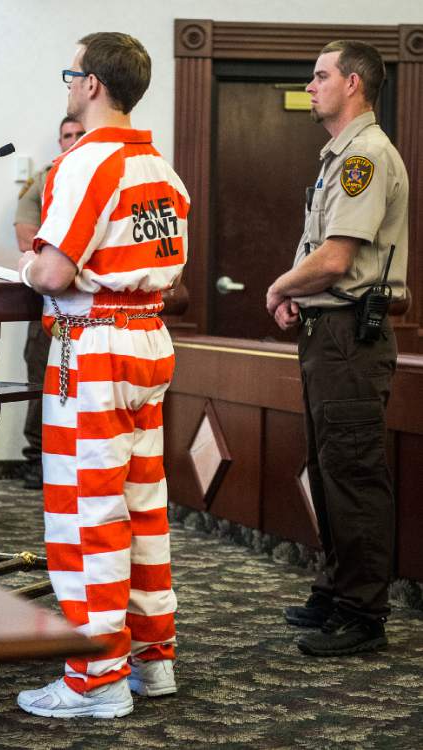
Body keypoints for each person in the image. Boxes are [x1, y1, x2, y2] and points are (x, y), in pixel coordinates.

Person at [17, 32, 189, 718]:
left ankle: (96, 680)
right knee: (142, 509)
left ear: (91, 85)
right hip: (147, 339)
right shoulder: (161, 171)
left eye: (72, 73)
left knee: (87, 513)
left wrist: (29, 268)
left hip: (91, 349)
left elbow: (55, 271)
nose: (69, 84)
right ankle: (154, 658)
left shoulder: (86, 163)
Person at [266, 40, 408, 657]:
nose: (312, 84)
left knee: (353, 471)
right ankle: (336, 587)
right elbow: (319, 255)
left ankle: (363, 613)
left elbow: (336, 258)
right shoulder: (338, 156)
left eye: (321, 75)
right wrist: (298, 294)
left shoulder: (366, 158)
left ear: (353, 84)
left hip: (352, 333)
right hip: (329, 330)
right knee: (328, 469)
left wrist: (278, 286)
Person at [14, 116, 85, 490]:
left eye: (79, 134)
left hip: (95, 305)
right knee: (41, 374)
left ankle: (75, 459)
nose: (72, 140)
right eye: (66, 135)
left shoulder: (99, 172)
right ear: (59, 141)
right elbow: (25, 234)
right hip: (50, 297)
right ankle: (36, 458)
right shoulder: (45, 178)